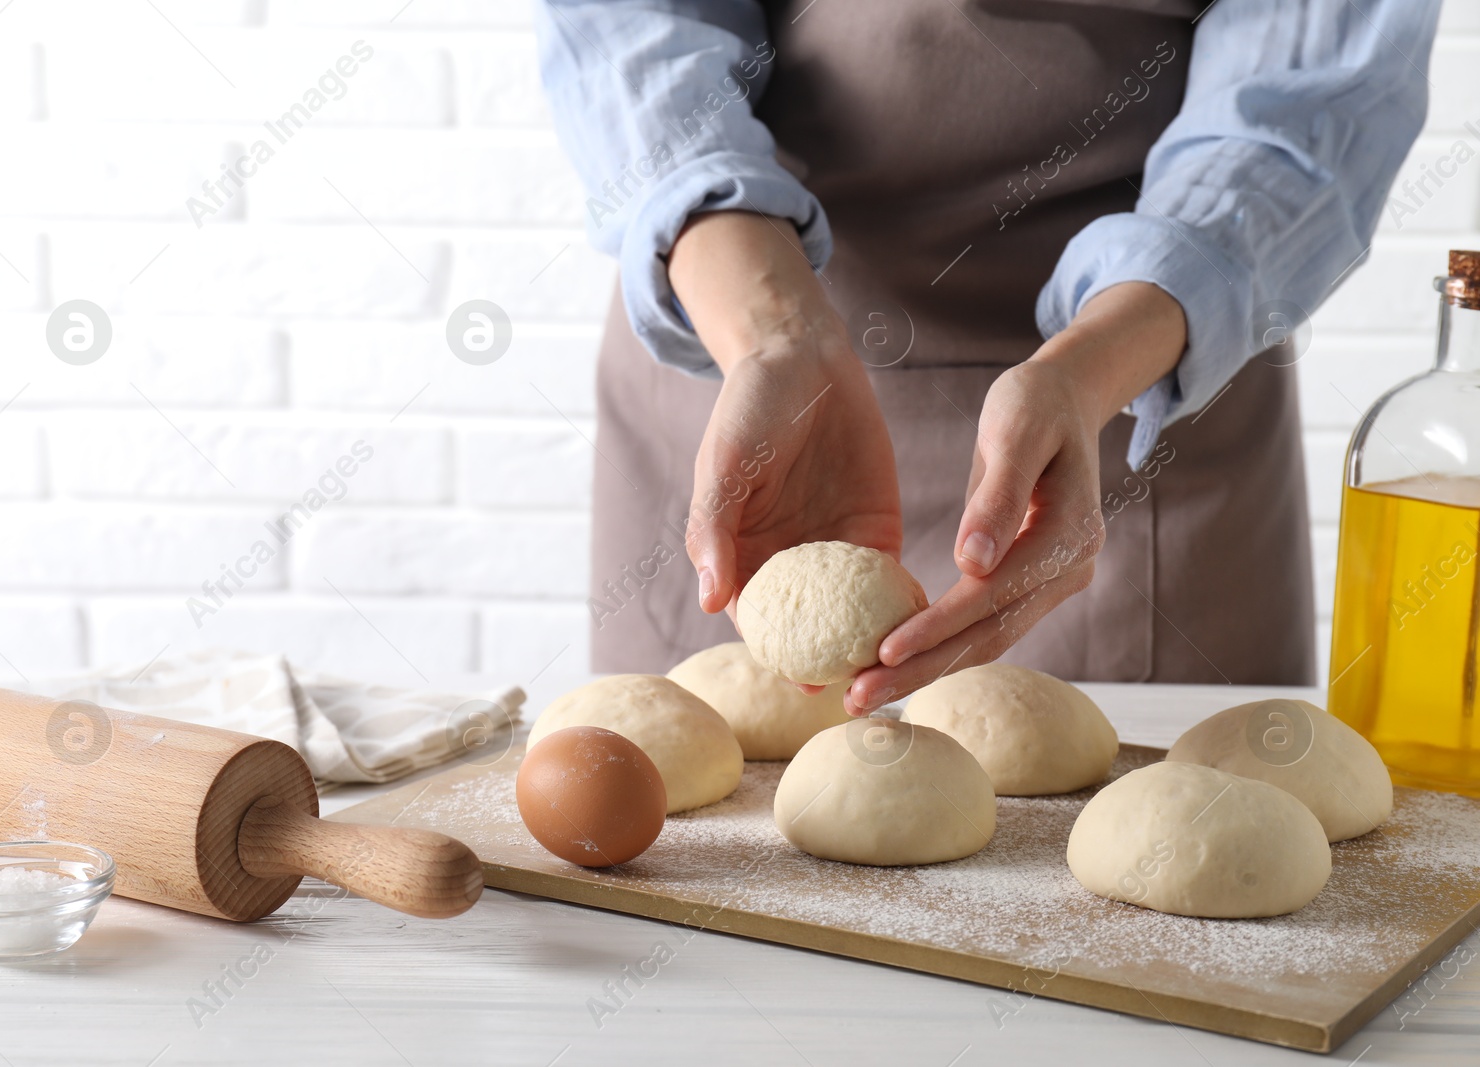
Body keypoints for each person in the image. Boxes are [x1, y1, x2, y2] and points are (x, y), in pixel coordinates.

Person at [535, 0, 1440, 713]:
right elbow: (626, 22)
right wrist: (771, 333)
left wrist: (1092, 366)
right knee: (696, 876)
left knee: (1151, 913)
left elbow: (1310, 91)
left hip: (1134, 394)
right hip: (742, 350)